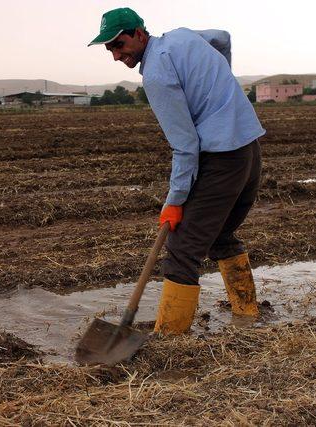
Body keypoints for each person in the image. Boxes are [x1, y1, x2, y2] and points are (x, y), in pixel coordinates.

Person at [89, 8, 265, 334]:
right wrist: (219, 85)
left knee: (182, 250)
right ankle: (247, 315)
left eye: (119, 44)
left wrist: (174, 201)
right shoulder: (182, 36)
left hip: (223, 157)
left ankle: (171, 340)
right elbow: (222, 38)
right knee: (221, 235)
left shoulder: (155, 75)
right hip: (249, 147)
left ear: (139, 33)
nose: (116, 55)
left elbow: (186, 146)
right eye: (110, 49)